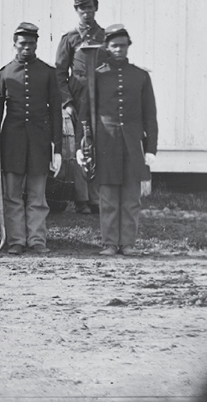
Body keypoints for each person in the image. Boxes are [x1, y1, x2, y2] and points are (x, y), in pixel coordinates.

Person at [82, 24, 157, 257]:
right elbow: (86, 114)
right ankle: (110, 243)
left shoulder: (140, 76)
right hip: (106, 144)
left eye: (123, 46)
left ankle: (128, 243)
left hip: (133, 144)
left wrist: (151, 148)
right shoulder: (97, 76)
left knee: (131, 197)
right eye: (114, 45)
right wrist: (82, 146)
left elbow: (150, 115)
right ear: (106, 47)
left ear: (128, 47)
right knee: (108, 198)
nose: (118, 50)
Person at [0, 23, 63, 255]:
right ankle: (16, 241)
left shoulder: (47, 73)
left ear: (36, 45)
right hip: (11, 142)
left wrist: (57, 148)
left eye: (31, 44)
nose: (27, 48)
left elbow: (56, 113)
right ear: (14, 45)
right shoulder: (4, 74)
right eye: (22, 44)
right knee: (12, 195)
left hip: (40, 142)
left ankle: (37, 240)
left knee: (37, 195)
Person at [55, 0, 105, 215]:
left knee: (100, 147)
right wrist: (67, 101)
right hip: (79, 100)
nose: (86, 12)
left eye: (90, 7)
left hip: (102, 101)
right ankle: (81, 199)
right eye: (82, 8)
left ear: (96, 7)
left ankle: (96, 199)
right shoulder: (70, 38)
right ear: (76, 10)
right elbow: (59, 72)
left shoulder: (105, 37)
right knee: (81, 148)